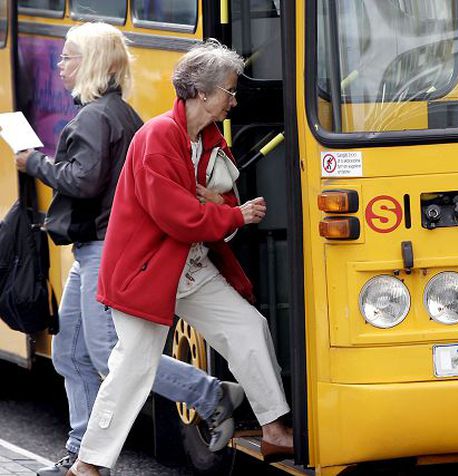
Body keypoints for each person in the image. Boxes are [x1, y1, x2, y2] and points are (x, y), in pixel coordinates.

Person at [14, 23, 245, 476]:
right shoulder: (117, 113)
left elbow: (84, 180)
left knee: (106, 355)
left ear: (92, 64)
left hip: (104, 247)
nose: (60, 65)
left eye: (68, 57)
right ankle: (81, 448)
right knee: (70, 354)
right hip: (93, 247)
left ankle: (211, 393)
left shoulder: (97, 117)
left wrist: (34, 162)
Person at [66, 39, 293, 476]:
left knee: (248, 327)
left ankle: (274, 429)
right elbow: (179, 217)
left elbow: (217, 199)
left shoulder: (205, 138)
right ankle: (88, 465)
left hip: (184, 267)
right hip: (146, 272)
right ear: (202, 94)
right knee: (131, 368)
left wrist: (222, 207)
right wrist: (232, 214)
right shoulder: (158, 137)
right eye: (229, 90)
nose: (233, 99)